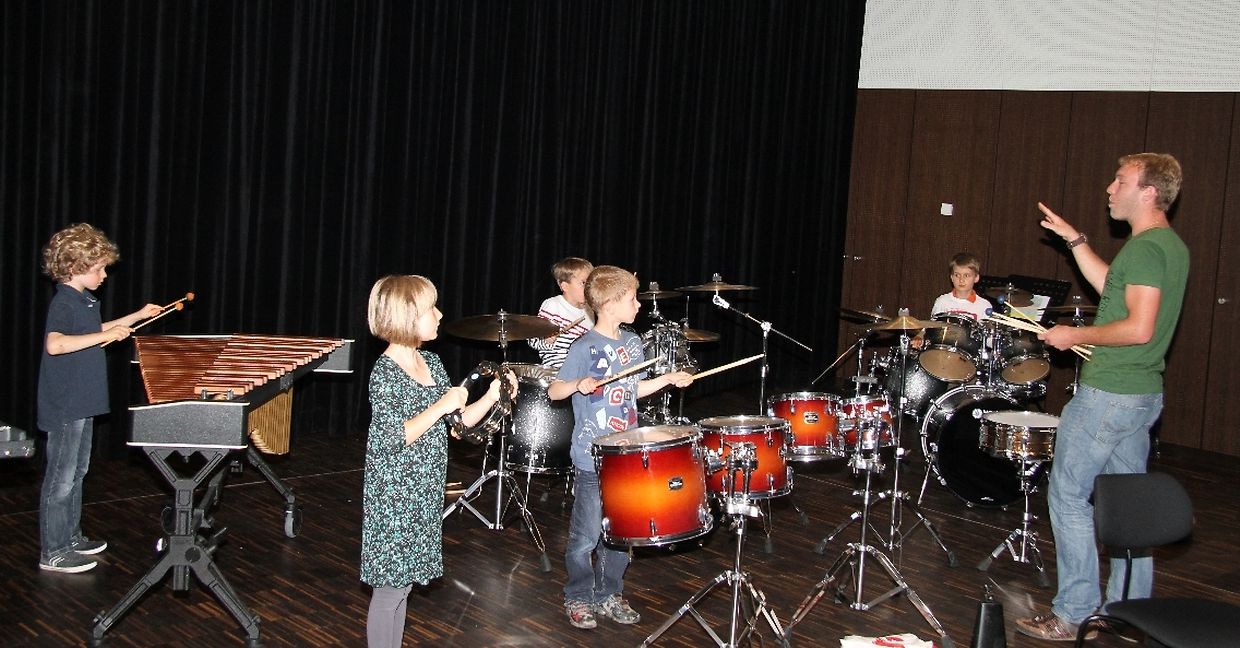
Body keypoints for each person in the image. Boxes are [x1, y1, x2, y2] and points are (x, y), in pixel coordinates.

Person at [1016, 153, 1189, 642]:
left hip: (1109, 393)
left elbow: (1138, 328)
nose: (1110, 189)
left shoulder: (1146, 250)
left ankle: (1074, 614)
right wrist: (1075, 241)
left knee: (1069, 496)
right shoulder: (1167, 246)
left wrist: (1076, 335)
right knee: (1129, 507)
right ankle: (1127, 613)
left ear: (1148, 192)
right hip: (1140, 395)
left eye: (1120, 181)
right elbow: (1115, 288)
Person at [360, 274, 515, 648]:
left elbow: (458, 426)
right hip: (394, 495)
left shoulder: (430, 361)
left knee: (403, 587)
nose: (440, 314)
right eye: (431, 308)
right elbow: (393, 436)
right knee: (390, 591)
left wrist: (492, 395)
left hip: (424, 490)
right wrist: (442, 405)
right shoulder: (385, 372)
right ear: (406, 316)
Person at [547, 265, 694, 630]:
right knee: (586, 536)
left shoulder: (632, 344)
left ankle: (609, 593)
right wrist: (578, 384)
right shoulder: (583, 347)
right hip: (591, 457)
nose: (638, 305)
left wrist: (667, 379)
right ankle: (578, 596)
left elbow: (633, 389)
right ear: (610, 305)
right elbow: (555, 391)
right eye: (632, 299)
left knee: (621, 533)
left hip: (625, 455)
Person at [37, 223, 162, 574]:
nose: (105, 275)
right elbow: (55, 344)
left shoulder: (83, 299)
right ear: (76, 267)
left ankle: (71, 538)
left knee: (78, 472)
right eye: (99, 269)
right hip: (66, 404)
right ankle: (53, 551)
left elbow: (93, 331)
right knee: (60, 479)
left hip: (83, 401)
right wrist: (103, 336)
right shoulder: (64, 301)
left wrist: (138, 315)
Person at [528, 257, 595, 369]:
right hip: (557, 369)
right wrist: (546, 340)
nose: (588, 288)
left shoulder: (589, 311)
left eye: (590, 283)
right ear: (565, 286)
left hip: (582, 369)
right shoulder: (553, 305)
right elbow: (532, 340)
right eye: (583, 283)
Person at [930, 252, 993, 321]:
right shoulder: (942, 302)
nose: (961, 280)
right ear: (952, 277)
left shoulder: (984, 306)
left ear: (976, 278)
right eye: (957, 275)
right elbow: (934, 326)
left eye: (966, 275)